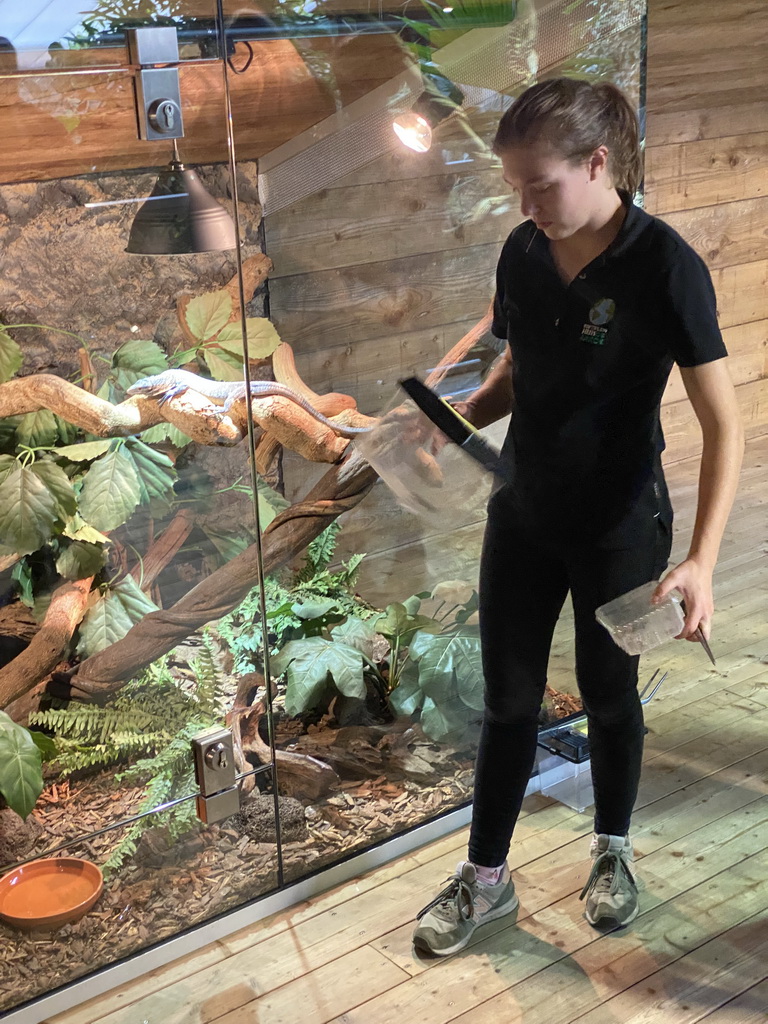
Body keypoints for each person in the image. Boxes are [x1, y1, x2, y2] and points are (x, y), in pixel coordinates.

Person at [412, 77, 744, 955]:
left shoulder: (664, 264)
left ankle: (612, 850)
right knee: (511, 705)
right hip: (523, 511)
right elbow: (522, 368)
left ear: (599, 163)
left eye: (542, 185)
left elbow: (725, 423)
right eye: (516, 186)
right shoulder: (524, 250)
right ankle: (486, 880)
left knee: (608, 696)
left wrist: (702, 561)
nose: (527, 206)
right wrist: (450, 424)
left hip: (622, 524)